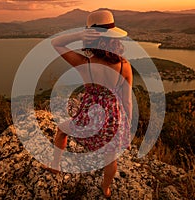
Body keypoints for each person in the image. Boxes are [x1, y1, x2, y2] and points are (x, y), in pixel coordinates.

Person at [49, 10, 133, 198]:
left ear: (91, 38)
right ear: (114, 39)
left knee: (62, 130)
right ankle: (106, 188)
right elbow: (127, 101)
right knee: (110, 159)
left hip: (89, 115)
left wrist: (78, 35)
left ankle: (55, 166)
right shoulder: (124, 65)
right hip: (112, 118)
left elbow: (55, 43)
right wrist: (128, 131)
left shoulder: (85, 63)